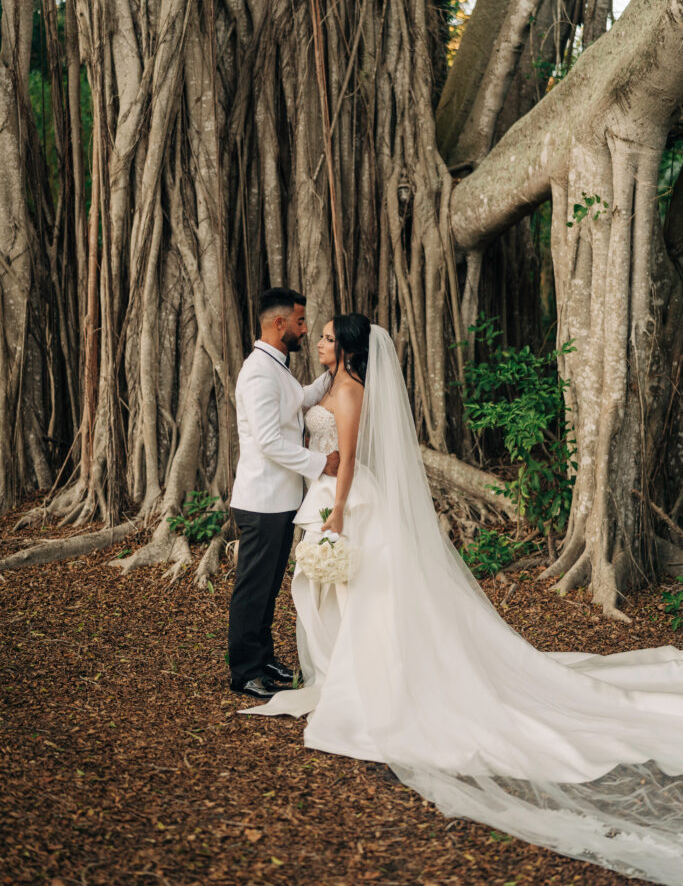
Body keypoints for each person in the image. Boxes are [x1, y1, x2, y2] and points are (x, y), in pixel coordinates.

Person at [243, 317, 683, 885]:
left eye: (327, 337)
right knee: (334, 598)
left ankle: (368, 679)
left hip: (345, 503)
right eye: (318, 334)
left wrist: (336, 515)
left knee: (366, 599)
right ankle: (338, 671)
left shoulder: (350, 393)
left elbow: (348, 459)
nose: (319, 342)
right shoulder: (324, 386)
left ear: (347, 349)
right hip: (322, 495)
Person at [227, 288, 339, 700]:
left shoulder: (277, 366)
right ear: (280, 324)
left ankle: (262, 656)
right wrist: (321, 465)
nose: (306, 330)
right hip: (261, 500)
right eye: (301, 322)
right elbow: (270, 441)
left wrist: (339, 368)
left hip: (280, 499)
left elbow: (300, 399)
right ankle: (244, 671)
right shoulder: (259, 371)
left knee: (269, 585)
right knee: (253, 586)